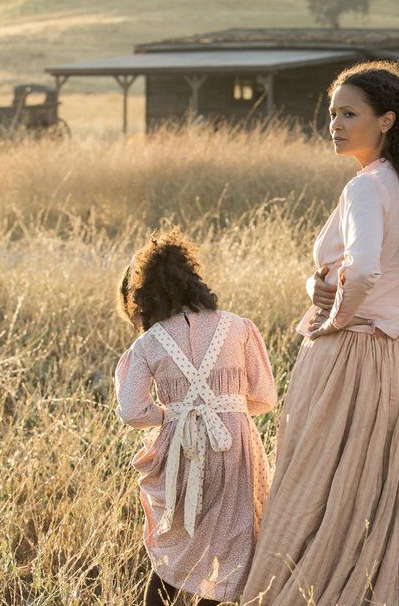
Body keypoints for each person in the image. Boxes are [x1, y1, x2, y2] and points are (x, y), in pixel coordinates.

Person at [242, 61, 399, 605]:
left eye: (349, 114)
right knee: (390, 489)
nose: (335, 123)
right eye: (332, 113)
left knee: (321, 484)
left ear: (386, 121)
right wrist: (318, 282)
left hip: (353, 358)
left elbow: (366, 269)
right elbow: (373, 269)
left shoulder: (364, 188)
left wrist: (332, 320)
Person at [114, 229, 277, 605]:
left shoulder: (149, 343)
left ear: (146, 294)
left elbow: (132, 410)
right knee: (231, 545)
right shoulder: (238, 327)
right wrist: (228, 409)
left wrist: (173, 417)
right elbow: (265, 397)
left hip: (180, 450)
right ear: (192, 278)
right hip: (236, 448)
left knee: (178, 543)